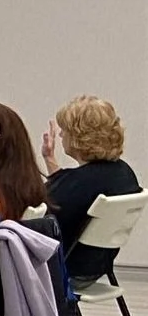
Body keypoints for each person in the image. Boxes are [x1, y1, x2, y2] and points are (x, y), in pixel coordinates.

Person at [43, 94, 141, 285]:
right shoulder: (123, 172)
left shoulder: (81, 182)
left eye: (65, 130)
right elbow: (66, 189)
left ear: (80, 135)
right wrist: (49, 159)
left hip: (65, 273)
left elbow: (46, 206)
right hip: (98, 268)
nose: (61, 135)